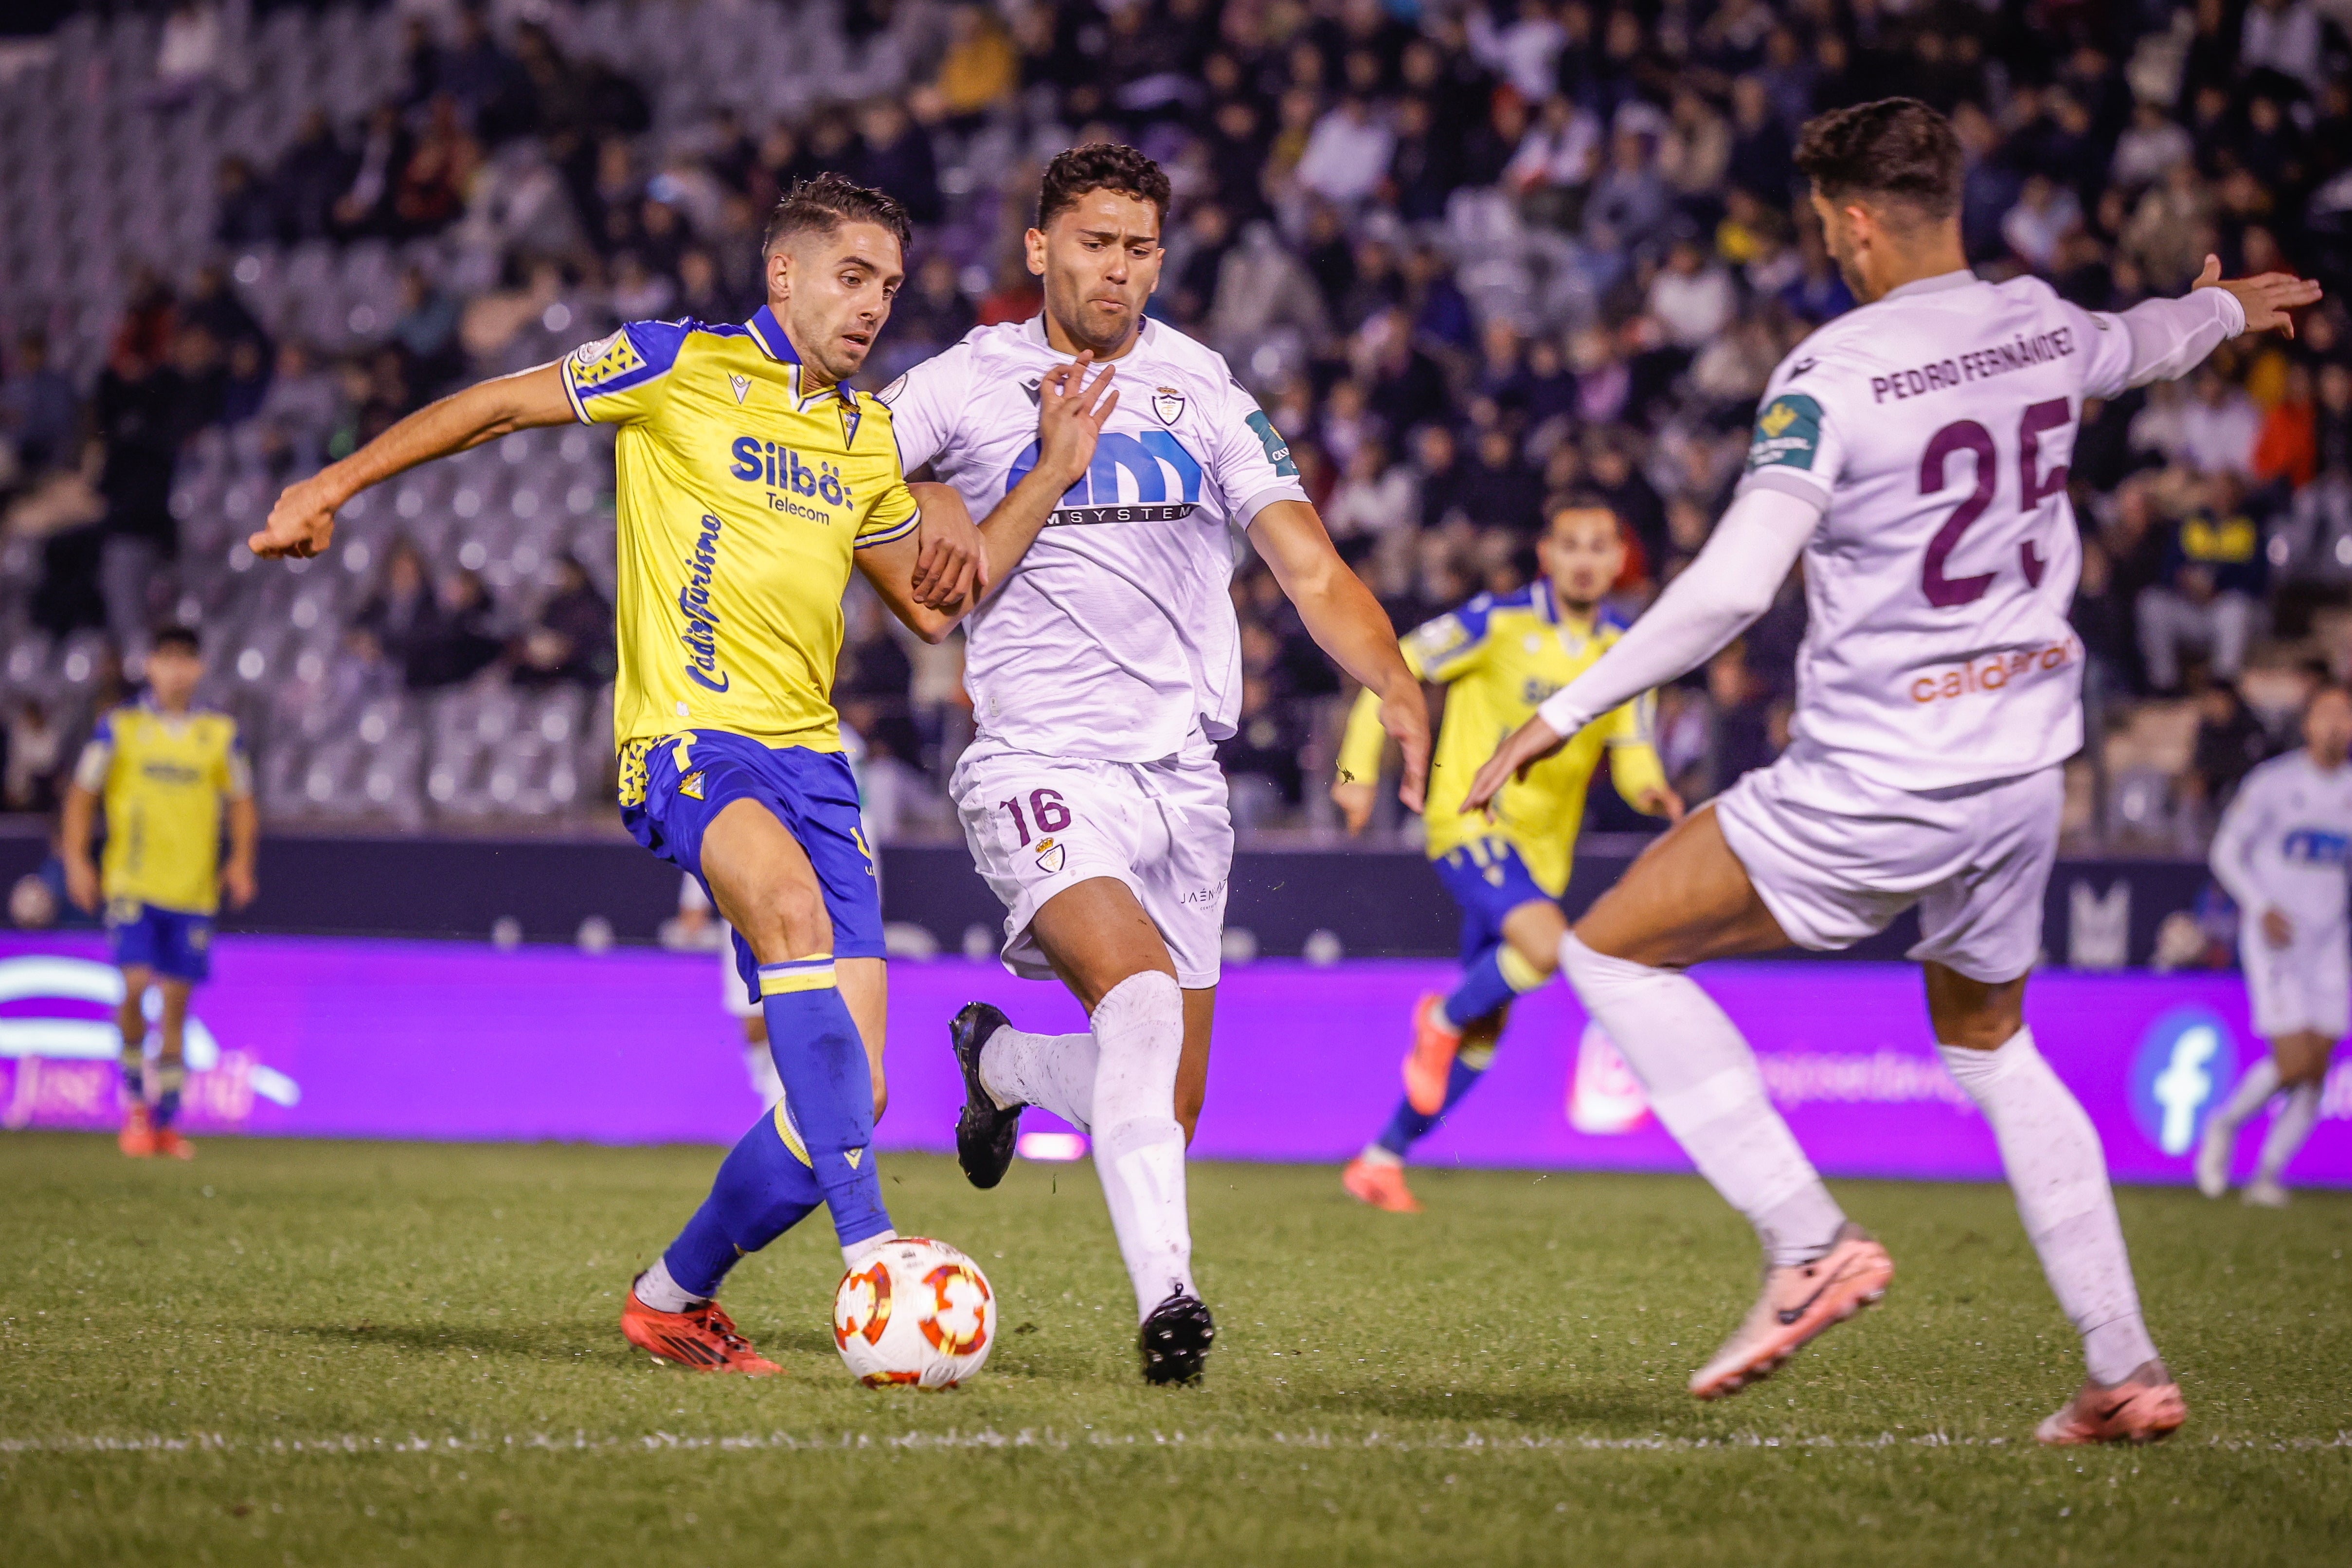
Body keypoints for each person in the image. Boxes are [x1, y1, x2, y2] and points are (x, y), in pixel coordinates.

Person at [1463, 97, 2318, 1445]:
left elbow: (1734, 588)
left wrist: (1563, 708)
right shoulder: (2035, 315)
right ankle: (2123, 1364)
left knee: (1612, 950)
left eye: (1824, 225)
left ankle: (1806, 1240)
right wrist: (2224, 314)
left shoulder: (1832, 372)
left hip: (1879, 773)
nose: (1829, 246)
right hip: (2026, 763)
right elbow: (2137, 344)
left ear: (1852, 222)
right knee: (1992, 1041)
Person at [250, 174, 988, 1375]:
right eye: (851, 278)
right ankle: (875, 1258)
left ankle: (671, 1294)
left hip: (815, 761)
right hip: (691, 740)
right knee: (790, 918)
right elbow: (495, 408)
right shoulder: (673, 364)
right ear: (783, 275)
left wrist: (1010, 489)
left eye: (890, 287)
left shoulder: (860, 437)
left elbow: (929, 608)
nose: (872, 307)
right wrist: (328, 486)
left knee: (839, 1109)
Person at [878, 144, 1430, 1384]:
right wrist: (919, 526)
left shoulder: (1202, 388)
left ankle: (1003, 1063)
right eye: (1091, 243)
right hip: (1037, 759)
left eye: (1136, 248)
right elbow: (842, 466)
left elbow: (1306, 563)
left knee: (1164, 1109)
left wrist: (1389, 678)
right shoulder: (967, 385)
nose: (1114, 269)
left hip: (1181, 783)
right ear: (1038, 249)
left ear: (1160, 259)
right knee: (1132, 1003)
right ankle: (1168, 1305)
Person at [1330, 499, 1680, 1213]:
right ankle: (1439, 1017)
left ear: (1618, 561)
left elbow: (1632, 758)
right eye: (1570, 545)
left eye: (1599, 547)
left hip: (1542, 859)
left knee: (1485, 1034)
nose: (1585, 559)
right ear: (1546, 554)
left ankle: (1380, 1157)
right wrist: (1354, 770)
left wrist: (1657, 797)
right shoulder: (1495, 621)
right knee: (1548, 948)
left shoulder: (1627, 649)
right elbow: (1392, 668)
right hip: (1468, 822)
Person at [60, 626, 259, 1161]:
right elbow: (82, 794)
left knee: (174, 1009)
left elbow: (241, 799)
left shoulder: (219, 733)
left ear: (198, 669)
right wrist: (77, 859)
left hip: (192, 891)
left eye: (185, 660)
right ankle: (134, 1106)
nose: (175, 671)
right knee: (134, 985)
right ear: (149, 666)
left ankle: (165, 1122)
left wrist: (241, 860)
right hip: (133, 884)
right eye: (166, 659)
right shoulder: (119, 728)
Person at [2199, 684, 2352, 1206]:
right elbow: (2224, 850)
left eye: (2345, 714)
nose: (2336, 724)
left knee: (2315, 1070)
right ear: (2307, 723)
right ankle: (2224, 1124)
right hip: (2276, 939)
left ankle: (2266, 1174)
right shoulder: (2273, 783)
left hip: (2329, 945)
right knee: (2292, 1063)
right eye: (2326, 713)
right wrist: (2259, 904)